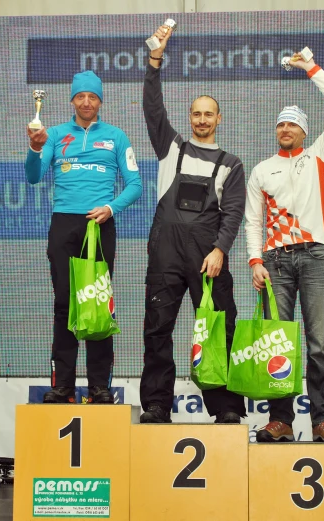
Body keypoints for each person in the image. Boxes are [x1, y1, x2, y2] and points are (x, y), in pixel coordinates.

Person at [139, 23, 246, 424]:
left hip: (208, 259)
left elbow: (233, 213)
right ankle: (156, 405)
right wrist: (155, 60)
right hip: (165, 255)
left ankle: (227, 408)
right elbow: (152, 107)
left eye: (208, 114)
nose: (202, 120)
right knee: (157, 331)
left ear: (219, 118)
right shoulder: (171, 148)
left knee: (219, 330)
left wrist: (220, 250)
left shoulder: (231, 164)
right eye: (196, 114)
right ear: (190, 117)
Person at [245, 50, 324, 442]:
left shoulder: (319, 156)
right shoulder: (261, 170)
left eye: (293, 124)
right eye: (281, 124)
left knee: (319, 345)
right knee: (279, 343)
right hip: (275, 262)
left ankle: (323, 420)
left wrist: (311, 68)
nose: (285, 128)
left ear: (305, 132)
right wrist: (255, 260)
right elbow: (253, 221)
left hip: (316, 257)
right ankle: (281, 421)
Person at [25, 70, 142, 404]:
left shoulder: (116, 136)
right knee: (64, 305)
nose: (87, 102)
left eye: (93, 97)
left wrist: (110, 207)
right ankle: (62, 385)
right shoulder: (56, 134)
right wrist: (34, 149)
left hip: (99, 226)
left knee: (98, 304)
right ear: (72, 100)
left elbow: (134, 184)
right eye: (81, 96)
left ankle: (99, 387)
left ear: (100, 101)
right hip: (64, 225)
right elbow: (34, 177)